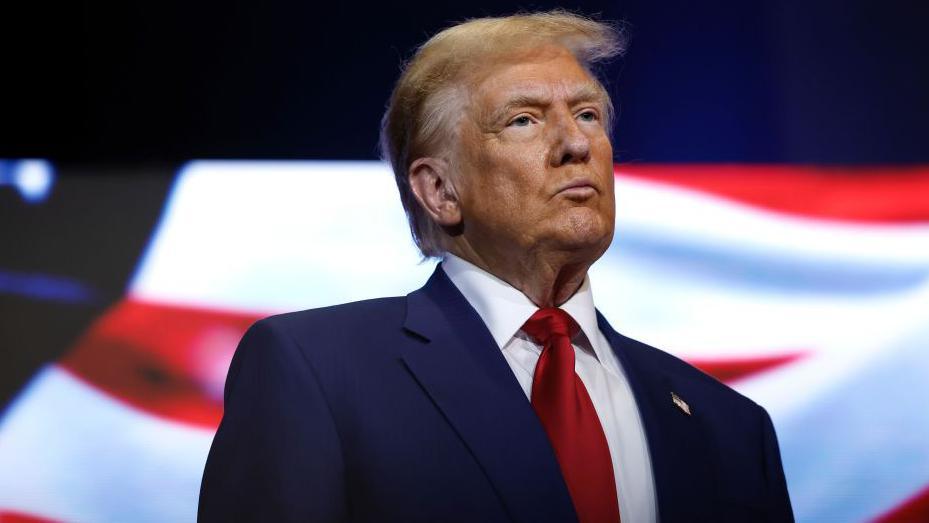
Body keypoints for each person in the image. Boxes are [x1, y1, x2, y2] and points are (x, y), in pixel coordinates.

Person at [198, 11, 794, 523]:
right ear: (440, 190)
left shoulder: (729, 427)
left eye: (587, 114)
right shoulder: (319, 372)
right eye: (523, 120)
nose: (575, 144)